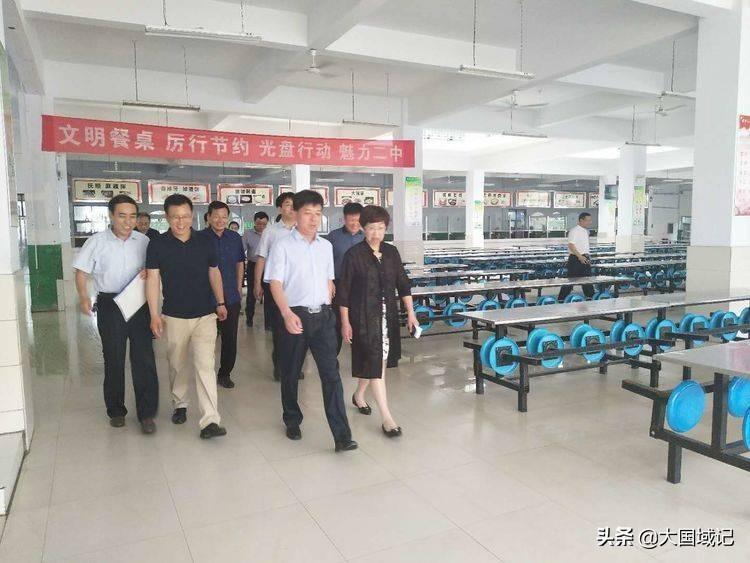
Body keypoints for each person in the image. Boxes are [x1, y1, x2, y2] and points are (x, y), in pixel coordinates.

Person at [265, 190, 357, 452]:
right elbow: (275, 283)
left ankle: (342, 435)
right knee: (291, 372)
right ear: (295, 214)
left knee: (331, 375)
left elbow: (329, 279)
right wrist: (286, 313)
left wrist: (329, 300)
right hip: (295, 315)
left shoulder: (325, 246)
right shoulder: (283, 245)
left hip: (324, 318)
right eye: (308, 213)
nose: (314, 219)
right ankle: (292, 419)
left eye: (318, 213)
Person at [73, 195, 159, 433]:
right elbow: (81, 272)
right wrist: (83, 297)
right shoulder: (97, 242)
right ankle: (116, 410)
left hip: (138, 303)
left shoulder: (144, 241)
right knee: (114, 358)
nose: (128, 222)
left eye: (132, 216)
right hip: (110, 305)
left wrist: (149, 272)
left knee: (144, 359)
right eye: (122, 216)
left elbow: (155, 270)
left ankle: (147, 414)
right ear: (111, 216)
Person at [146, 194, 228, 439]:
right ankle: (180, 403)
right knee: (177, 364)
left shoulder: (205, 241)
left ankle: (210, 420)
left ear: (193, 216)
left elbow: (214, 272)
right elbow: (152, 279)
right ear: (167, 217)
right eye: (175, 217)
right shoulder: (158, 244)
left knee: (205, 365)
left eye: (185, 216)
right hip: (174, 315)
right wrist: (154, 314)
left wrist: (220, 302)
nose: (180, 222)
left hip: (205, 315)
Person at [338, 205, 419, 437]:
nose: (376, 233)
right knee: (376, 362)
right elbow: (344, 292)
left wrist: (410, 312)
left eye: (381, 228)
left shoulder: (391, 252)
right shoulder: (354, 255)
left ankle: (358, 395)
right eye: (371, 228)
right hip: (363, 318)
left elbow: (403, 284)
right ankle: (387, 418)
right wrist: (345, 322)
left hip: (387, 317)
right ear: (363, 228)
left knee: (376, 361)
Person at [254, 192, 296, 380]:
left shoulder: (302, 230)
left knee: (298, 326)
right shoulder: (271, 231)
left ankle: (295, 366)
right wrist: (257, 283)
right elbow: (261, 258)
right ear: (280, 208)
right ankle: (280, 366)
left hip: (297, 287)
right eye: (287, 204)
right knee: (280, 327)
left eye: (295, 205)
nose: (292, 208)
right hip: (275, 287)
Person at [204, 201, 245, 389]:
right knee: (206, 339)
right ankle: (205, 372)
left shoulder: (234, 237)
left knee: (230, 338)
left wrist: (238, 287)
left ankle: (224, 373)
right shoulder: (200, 238)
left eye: (224, 217)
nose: (220, 220)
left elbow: (239, 263)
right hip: (205, 297)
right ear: (208, 217)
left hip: (230, 296)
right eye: (216, 216)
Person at [326, 202, 364, 353]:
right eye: (351, 220)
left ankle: (359, 356)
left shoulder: (366, 237)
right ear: (344, 219)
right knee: (337, 322)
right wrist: (329, 282)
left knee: (359, 321)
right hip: (339, 284)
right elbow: (325, 262)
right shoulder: (333, 237)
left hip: (360, 286)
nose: (354, 224)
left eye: (358, 220)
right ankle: (333, 356)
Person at [557, 212, 595, 302]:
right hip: (576, 258)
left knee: (587, 279)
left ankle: (591, 298)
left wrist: (586, 256)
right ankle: (561, 299)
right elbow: (571, 245)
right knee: (571, 280)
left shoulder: (585, 231)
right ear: (581, 220)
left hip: (585, 257)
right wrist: (580, 257)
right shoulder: (574, 231)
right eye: (588, 220)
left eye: (590, 220)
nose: (590, 222)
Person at [242, 211, 269, 327]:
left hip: (268, 267)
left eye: (264, 224)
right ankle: (249, 318)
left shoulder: (270, 233)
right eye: (259, 223)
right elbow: (241, 250)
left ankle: (269, 322)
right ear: (254, 222)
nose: (261, 226)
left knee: (269, 295)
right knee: (252, 293)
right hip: (253, 265)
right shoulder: (248, 234)